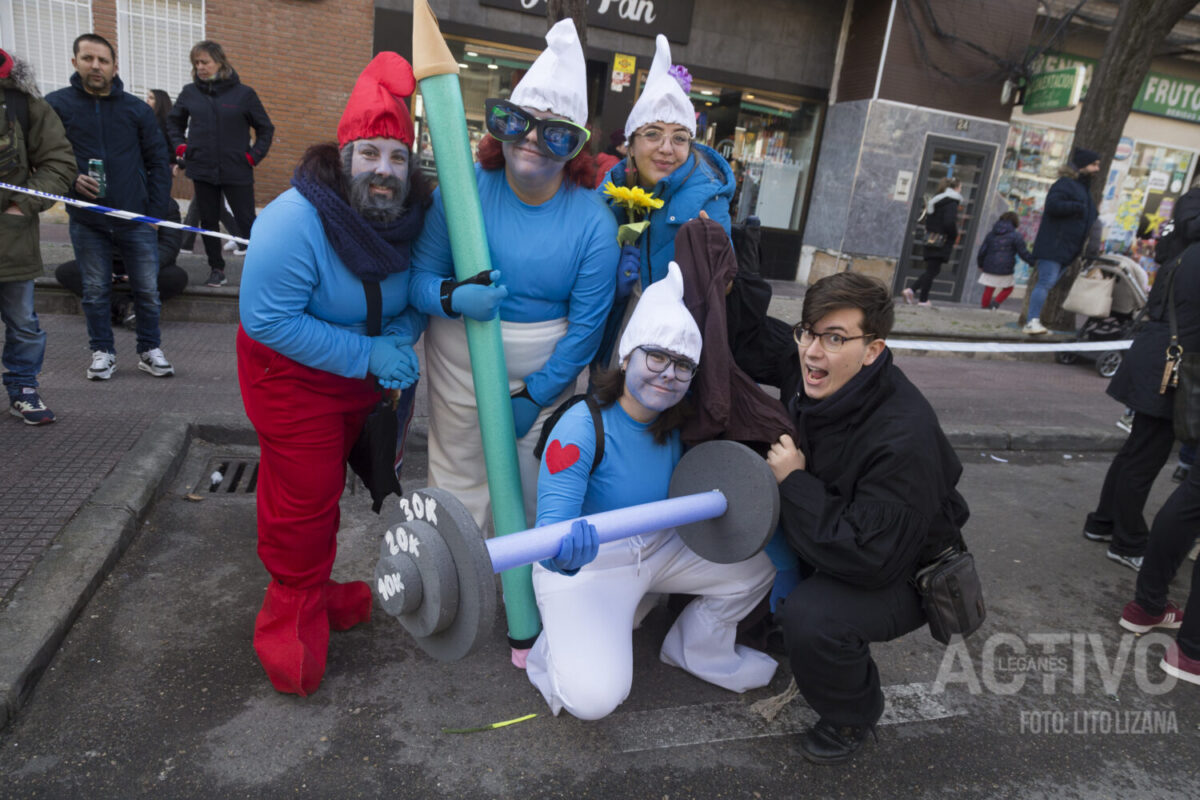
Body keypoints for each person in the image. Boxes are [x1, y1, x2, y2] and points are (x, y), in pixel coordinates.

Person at [236, 52, 429, 696]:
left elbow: (416, 293)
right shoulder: (295, 217)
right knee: (303, 499)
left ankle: (316, 589)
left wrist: (402, 335)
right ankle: (290, 610)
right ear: (345, 155)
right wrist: (369, 354)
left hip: (360, 386)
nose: (385, 170)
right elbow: (267, 318)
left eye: (397, 157)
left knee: (334, 493)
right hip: (290, 379)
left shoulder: (415, 217)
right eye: (371, 153)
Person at [525, 262, 777, 720]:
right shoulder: (581, 424)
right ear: (626, 358)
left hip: (662, 552)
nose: (668, 375)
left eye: (682, 366)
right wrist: (562, 554)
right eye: (655, 357)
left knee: (756, 567)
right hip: (589, 567)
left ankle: (695, 649)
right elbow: (550, 531)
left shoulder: (680, 424)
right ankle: (556, 649)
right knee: (594, 700)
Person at [410, 20, 618, 534]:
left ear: (574, 147)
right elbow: (418, 279)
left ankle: (522, 598)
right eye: (520, 121)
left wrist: (537, 394)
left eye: (555, 132)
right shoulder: (460, 192)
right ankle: (450, 590)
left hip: (544, 380)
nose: (532, 140)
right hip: (459, 366)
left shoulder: (594, 222)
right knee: (456, 485)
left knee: (533, 491)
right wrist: (453, 298)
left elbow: (587, 328)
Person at [752, 271, 968, 764]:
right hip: (853, 532)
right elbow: (748, 335)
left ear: (873, 349)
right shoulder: (824, 368)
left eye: (834, 338)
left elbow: (869, 556)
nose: (811, 351)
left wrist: (795, 483)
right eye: (808, 331)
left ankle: (852, 714)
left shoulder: (902, 435)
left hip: (905, 568)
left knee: (814, 618)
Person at [594, 36, 732, 366]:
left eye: (679, 138)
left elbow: (723, 284)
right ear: (630, 143)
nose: (667, 148)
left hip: (672, 346)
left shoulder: (708, 195)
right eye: (653, 133)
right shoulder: (612, 185)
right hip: (616, 330)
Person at [46, 33, 174, 381]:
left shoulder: (136, 109)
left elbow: (158, 163)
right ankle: (102, 351)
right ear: (75, 62)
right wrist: (72, 178)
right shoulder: (56, 105)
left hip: (135, 217)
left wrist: (155, 214)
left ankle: (149, 349)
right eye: (88, 59)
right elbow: (47, 158)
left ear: (115, 66)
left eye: (103, 60)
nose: (96, 66)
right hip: (87, 219)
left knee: (147, 290)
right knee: (94, 290)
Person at [1083, 234, 1200, 571]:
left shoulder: (1181, 252)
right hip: (1170, 365)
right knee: (1144, 457)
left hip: (1155, 355)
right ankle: (1128, 540)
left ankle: (1102, 522)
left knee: (1136, 450)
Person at [0, 48, 76, 425]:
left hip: (11, 240)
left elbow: (59, 164)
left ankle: (23, 389)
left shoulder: (23, 102)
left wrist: (21, 205)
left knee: (23, 323)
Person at [168, 40, 273, 288]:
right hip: (202, 169)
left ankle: (261, 270)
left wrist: (252, 156)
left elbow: (266, 128)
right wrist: (181, 147)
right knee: (208, 221)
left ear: (220, 62)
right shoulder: (189, 93)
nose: (200, 67)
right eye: (196, 63)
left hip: (237, 170)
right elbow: (174, 124)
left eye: (205, 62)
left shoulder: (244, 95)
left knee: (247, 220)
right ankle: (217, 269)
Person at [1023, 147, 1101, 335]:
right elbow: (1052, 206)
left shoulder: (1083, 188)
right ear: (1083, 165)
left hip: (1067, 248)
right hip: (1054, 245)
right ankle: (1031, 321)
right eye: (1093, 164)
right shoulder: (1065, 184)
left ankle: (1034, 320)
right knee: (1045, 283)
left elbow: (1089, 215)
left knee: (1047, 284)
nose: (1097, 169)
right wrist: (1078, 207)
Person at [902, 177, 961, 308]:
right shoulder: (951, 203)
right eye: (960, 187)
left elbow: (928, 222)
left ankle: (911, 290)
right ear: (955, 188)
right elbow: (949, 222)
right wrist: (954, 234)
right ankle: (922, 299)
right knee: (932, 271)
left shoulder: (936, 201)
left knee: (932, 270)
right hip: (942, 240)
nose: (960, 190)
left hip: (931, 238)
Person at [975, 211, 1032, 310]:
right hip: (1006, 266)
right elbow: (1023, 252)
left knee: (989, 287)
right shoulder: (1016, 236)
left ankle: (984, 307)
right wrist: (1033, 262)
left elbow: (982, 251)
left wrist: (980, 264)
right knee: (1008, 288)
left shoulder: (991, 234)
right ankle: (995, 303)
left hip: (989, 264)